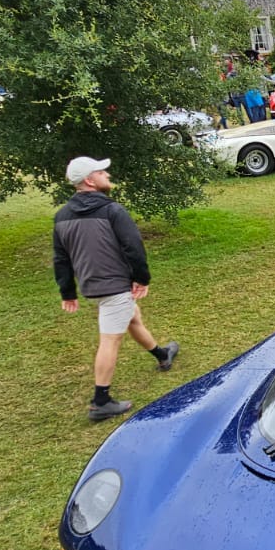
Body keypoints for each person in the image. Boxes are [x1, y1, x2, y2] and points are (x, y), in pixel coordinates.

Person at [53, 157, 179, 421]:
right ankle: (101, 402)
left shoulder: (62, 215)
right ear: (89, 180)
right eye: (101, 172)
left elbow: (60, 258)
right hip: (114, 286)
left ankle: (162, 354)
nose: (107, 174)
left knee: (133, 318)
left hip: (94, 286)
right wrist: (141, 278)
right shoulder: (113, 210)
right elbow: (133, 246)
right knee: (110, 340)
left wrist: (68, 291)